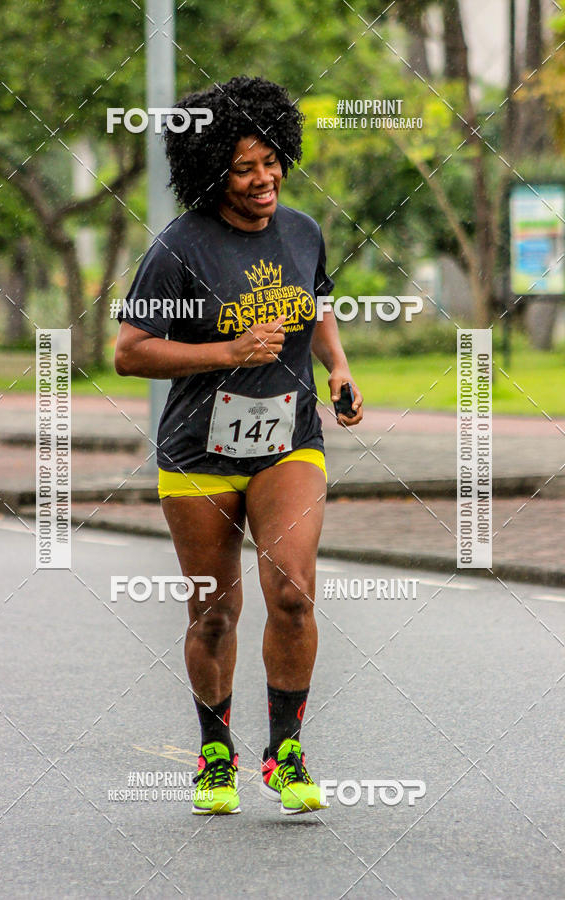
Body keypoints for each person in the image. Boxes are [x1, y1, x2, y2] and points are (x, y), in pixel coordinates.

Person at [115, 75, 363, 816]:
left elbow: (315, 306)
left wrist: (339, 366)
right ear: (212, 170)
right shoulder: (179, 247)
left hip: (290, 439)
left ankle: (285, 751)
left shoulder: (302, 230)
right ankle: (215, 751)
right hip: (198, 452)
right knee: (213, 614)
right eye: (246, 167)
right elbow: (130, 352)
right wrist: (224, 354)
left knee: (290, 592)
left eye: (272, 160)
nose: (266, 179)